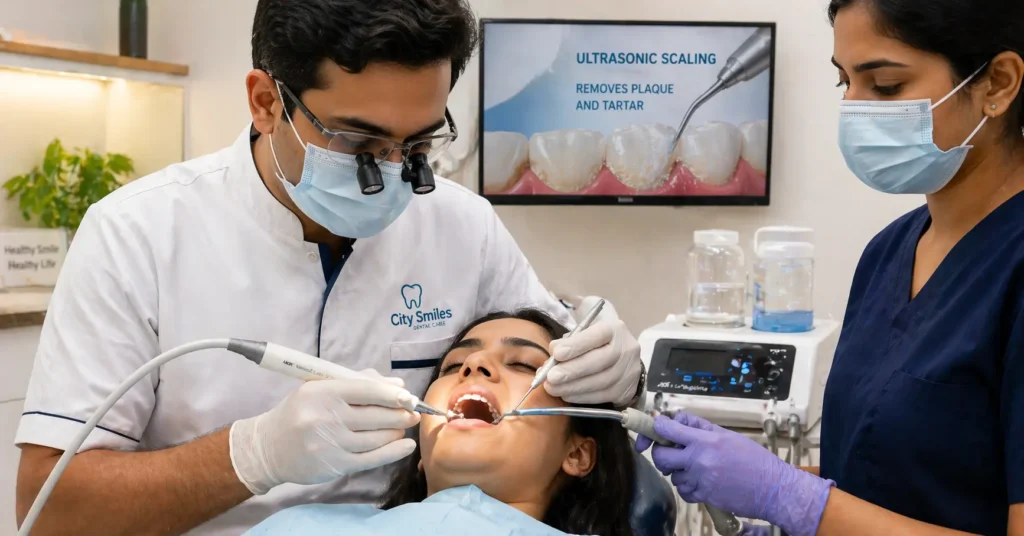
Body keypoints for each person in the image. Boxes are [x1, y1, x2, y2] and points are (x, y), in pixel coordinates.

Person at [13, 1, 646, 534]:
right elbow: (49, 512)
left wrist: (621, 375)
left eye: (420, 144)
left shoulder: (464, 227)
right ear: (265, 102)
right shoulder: (135, 235)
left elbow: (559, 395)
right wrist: (251, 455)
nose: (396, 171)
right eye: (360, 145)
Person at [638, 0, 1024, 534]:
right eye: (844, 82)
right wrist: (771, 488)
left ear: (998, 83)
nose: (854, 108)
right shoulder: (889, 252)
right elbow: (889, 473)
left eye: (884, 86)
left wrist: (796, 501)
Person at [244, 309, 636, 536]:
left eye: (521, 364)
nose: (473, 365)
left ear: (579, 454)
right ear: (419, 455)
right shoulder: (298, 528)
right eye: (451, 367)